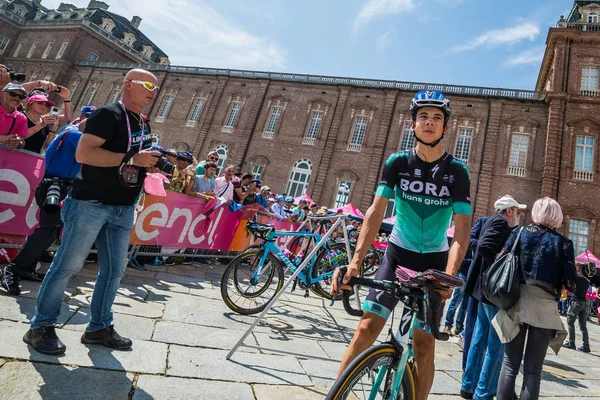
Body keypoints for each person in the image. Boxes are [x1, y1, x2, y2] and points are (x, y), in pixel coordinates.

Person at [331, 90, 471, 400]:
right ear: (412, 125)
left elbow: (462, 228)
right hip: (397, 256)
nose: (430, 122)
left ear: (446, 128)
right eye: (423, 117)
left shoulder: (457, 172)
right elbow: (376, 211)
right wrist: (355, 262)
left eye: (437, 118)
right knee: (366, 329)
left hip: (434, 263)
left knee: (423, 346)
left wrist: (449, 275)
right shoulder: (397, 162)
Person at [24, 68, 161, 355]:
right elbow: (84, 155)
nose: (153, 90)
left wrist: (148, 164)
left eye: (156, 87)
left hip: (123, 207)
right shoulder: (108, 114)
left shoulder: (143, 123)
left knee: (113, 271)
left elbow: (131, 160)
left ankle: (99, 327)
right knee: (67, 266)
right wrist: (133, 157)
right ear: (128, 84)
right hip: (91, 203)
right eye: (148, 84)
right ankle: (40, 327)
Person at [493, 197, 577, 400]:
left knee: (509, 364)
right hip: (545, 308)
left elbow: (500, 259)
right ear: (557, 217)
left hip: (517, 302)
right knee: (533, 370)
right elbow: (570, 284)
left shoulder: (519, 233)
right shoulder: (563, 243)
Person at [0, 124, 83, 294]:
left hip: (64, 186)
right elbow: (92, 156)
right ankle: (13, 270)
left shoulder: (73, 132)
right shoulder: (75, 135)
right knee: (45, 230)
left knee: (52, 231)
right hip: (54, 185)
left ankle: (27, 267)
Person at [461, 195, 525, 400]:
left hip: (483, 290)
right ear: (508, 211)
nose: (518, 215)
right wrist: (498, 265)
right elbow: (484, 247)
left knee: (479, 338)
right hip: (493, 293)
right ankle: (484, 392)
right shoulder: (499, 223)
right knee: (495, 345)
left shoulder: (490, 221)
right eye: (516, 211)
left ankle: (468, 386)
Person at [563, 262, 592, 353]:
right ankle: (586, 345)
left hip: (576, 302)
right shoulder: (586, 280)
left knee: (570, 321)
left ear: (578, 267)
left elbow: (569, 285)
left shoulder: (577, 277)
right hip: (584, 302)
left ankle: (571, 343)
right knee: (583, 326)